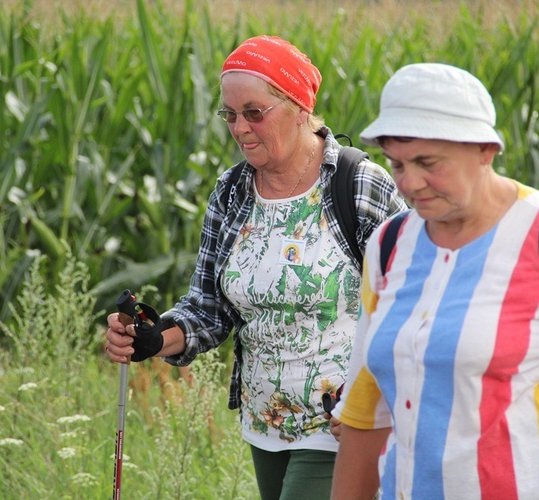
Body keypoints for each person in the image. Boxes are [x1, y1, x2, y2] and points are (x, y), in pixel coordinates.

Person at [330, 63, 539, 499]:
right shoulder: (389, 245)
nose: (410, 183)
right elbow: (365, 413)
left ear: (485, 150)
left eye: (428, 163)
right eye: (397, 164)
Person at [104, 35, 407, 499]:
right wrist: (153, 338)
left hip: (346, 421)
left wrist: (371, 394)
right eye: (229, 114)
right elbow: (209, 308)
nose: (240, 128)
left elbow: (407, 301)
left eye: (254, 112)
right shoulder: (231, 192)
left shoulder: (358, 184)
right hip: (264, 420)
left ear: (300, 106)